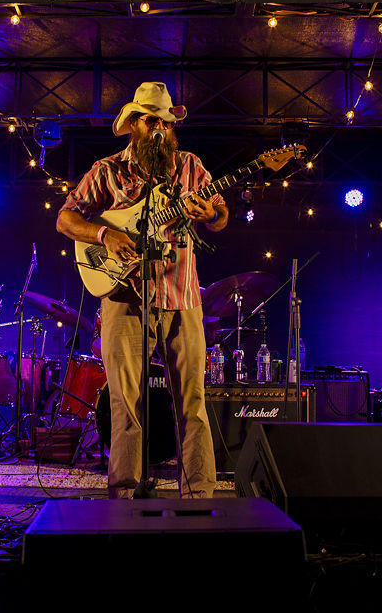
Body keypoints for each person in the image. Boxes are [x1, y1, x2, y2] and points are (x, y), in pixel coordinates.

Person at [56, 82, 228, 499]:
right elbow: (66, 219)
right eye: (153, 120)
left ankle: (199, 494)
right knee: (124, 403)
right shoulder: (107, 170)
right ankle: (124, 494)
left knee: (193, 402)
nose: (162, 129)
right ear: (134, 123)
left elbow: (221, 217)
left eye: (167, 122)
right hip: (124, 296)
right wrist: (104, 235)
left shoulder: (191, 167)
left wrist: (211, 214)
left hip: (182, 296)